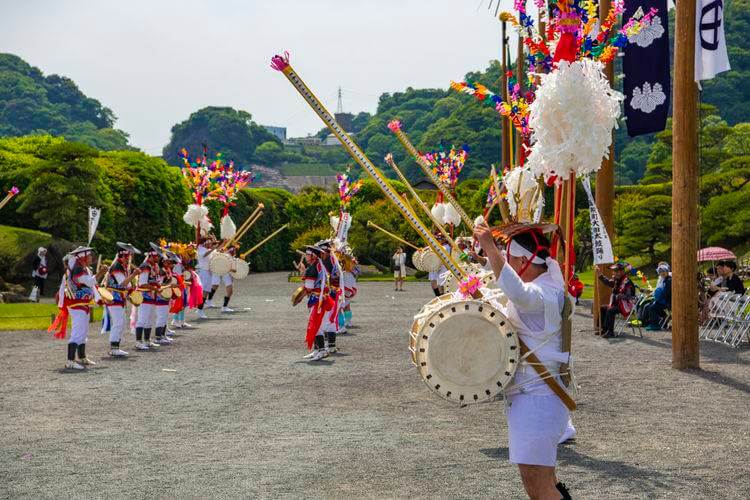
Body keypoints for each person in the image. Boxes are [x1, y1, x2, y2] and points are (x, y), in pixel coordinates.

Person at [474, 223, 572, 500]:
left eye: (511, 259)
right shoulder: (549, 282)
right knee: (545, 481)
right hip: (539, 396)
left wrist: (490, 248)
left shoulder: (541, 294)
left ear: (523, 260)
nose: (510, 264)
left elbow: (519, 295)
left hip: (538, 398)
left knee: (538, 487)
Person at [49, 246, 105, 370]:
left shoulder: (83, 269)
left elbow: (91, 285)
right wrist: (101, 272)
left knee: (83, 332)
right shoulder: (77, 269)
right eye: (89, 255)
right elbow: (90, 282)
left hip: (82, 305)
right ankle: (70, 361)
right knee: (77, 333)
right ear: (82, 257)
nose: (91, 257)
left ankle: (82, 357)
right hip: (76, 305)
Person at [100, 242, 141, 357]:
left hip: (118, 299)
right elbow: (122, 283)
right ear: (122, 256)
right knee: (118, 323)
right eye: (128, 257)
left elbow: (124, 285)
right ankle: (114, 348)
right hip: (114, 298)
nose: (129, 259)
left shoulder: (122, 266)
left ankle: (116, 347)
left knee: (121, 322)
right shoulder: (117, 266)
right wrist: (134, 275)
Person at [301, 245, 330, 361]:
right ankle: (317, 350)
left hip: (317, 300)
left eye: (307, 254)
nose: (306, 256)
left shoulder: (313, 268)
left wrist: (303, 272)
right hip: (320, 299)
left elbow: (309, 287)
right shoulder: (319, 265)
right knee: (317, 325)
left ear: (313, 256)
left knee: (316, 325)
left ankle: (321, 350)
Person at [597, 262, 636, 338]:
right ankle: (604, 329)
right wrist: (600, 275)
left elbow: (629, 297)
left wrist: (618, 296)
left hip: (626, 305)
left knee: (610, 310)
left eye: (616, 271)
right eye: (614, 271)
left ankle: (610, 332)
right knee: (603, 308)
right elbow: (609, 283)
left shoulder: (626, 281)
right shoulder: (616, 280)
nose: (614, 273)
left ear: (621, 272)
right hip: (618, 303)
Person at [134, 247, 162, 350]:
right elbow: (143, 283)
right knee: (142, 319)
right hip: (145, 296)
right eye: (157, 256)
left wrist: (156, 288)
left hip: (150, 296)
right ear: (151, 256)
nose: (158, 258)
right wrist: (155, 288)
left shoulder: (152, 267)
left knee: (149, 319)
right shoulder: (145, 267)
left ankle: (147, 340)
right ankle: (138, 342)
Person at [640, 263, 672, 331]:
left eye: (664, 271)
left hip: (667, 302)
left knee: (652, 307)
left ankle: (655, 325)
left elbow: (667, 293)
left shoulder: (669, 280)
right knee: (649, 305)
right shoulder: (663, 280)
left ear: (667, 272)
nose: (662, 273)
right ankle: (649, 322)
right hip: (662, 300)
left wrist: (659, 298)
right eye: (660, 272)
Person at [195, 235, 217, 319]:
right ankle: (200, 310)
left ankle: (200, 309)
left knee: (206, 291)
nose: (210, 243)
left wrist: (215, 245)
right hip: (203, 272)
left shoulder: (207, 249)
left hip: (208, 272)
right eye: (208, 241)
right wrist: (213, 248)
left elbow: (214, 249)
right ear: (204, 242)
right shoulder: (200, 249)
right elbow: (204, 255)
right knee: (204, 292)